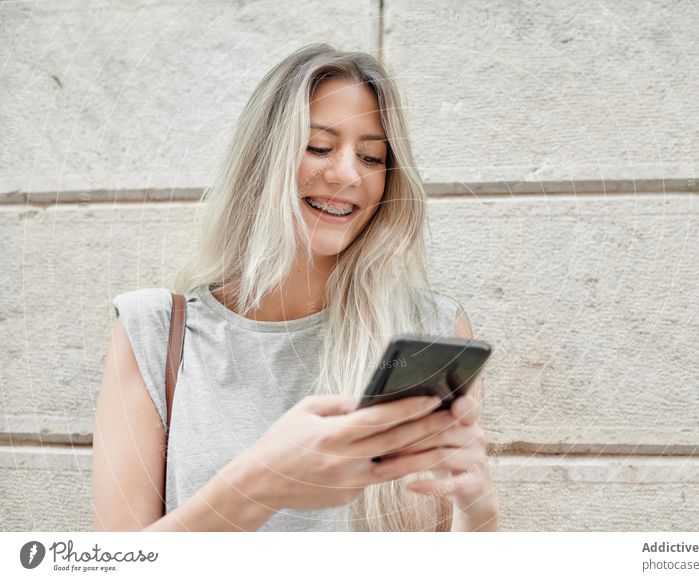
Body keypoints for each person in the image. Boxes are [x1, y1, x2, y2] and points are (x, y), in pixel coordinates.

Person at [92, 43, 499, 532]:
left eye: (371, 156)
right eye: (319, 147)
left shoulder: (430, 331)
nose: (348, 173)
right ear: (263, 158)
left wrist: (478, 510)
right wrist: (265, 480)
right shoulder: (154, 333)